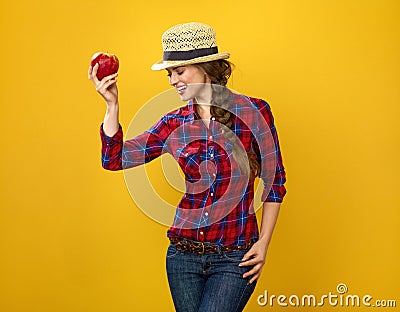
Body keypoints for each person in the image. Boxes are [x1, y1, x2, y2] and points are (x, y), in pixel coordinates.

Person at [88, 22, 286, 312]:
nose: (172, 81)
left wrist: (264, 243)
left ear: (205, 67)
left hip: (235, 257)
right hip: (183, 258)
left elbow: (275, 181)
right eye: (170, 74)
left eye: (179, 72)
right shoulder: (173, 123)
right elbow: (115, 159)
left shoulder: (254, 112)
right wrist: (112, 104)